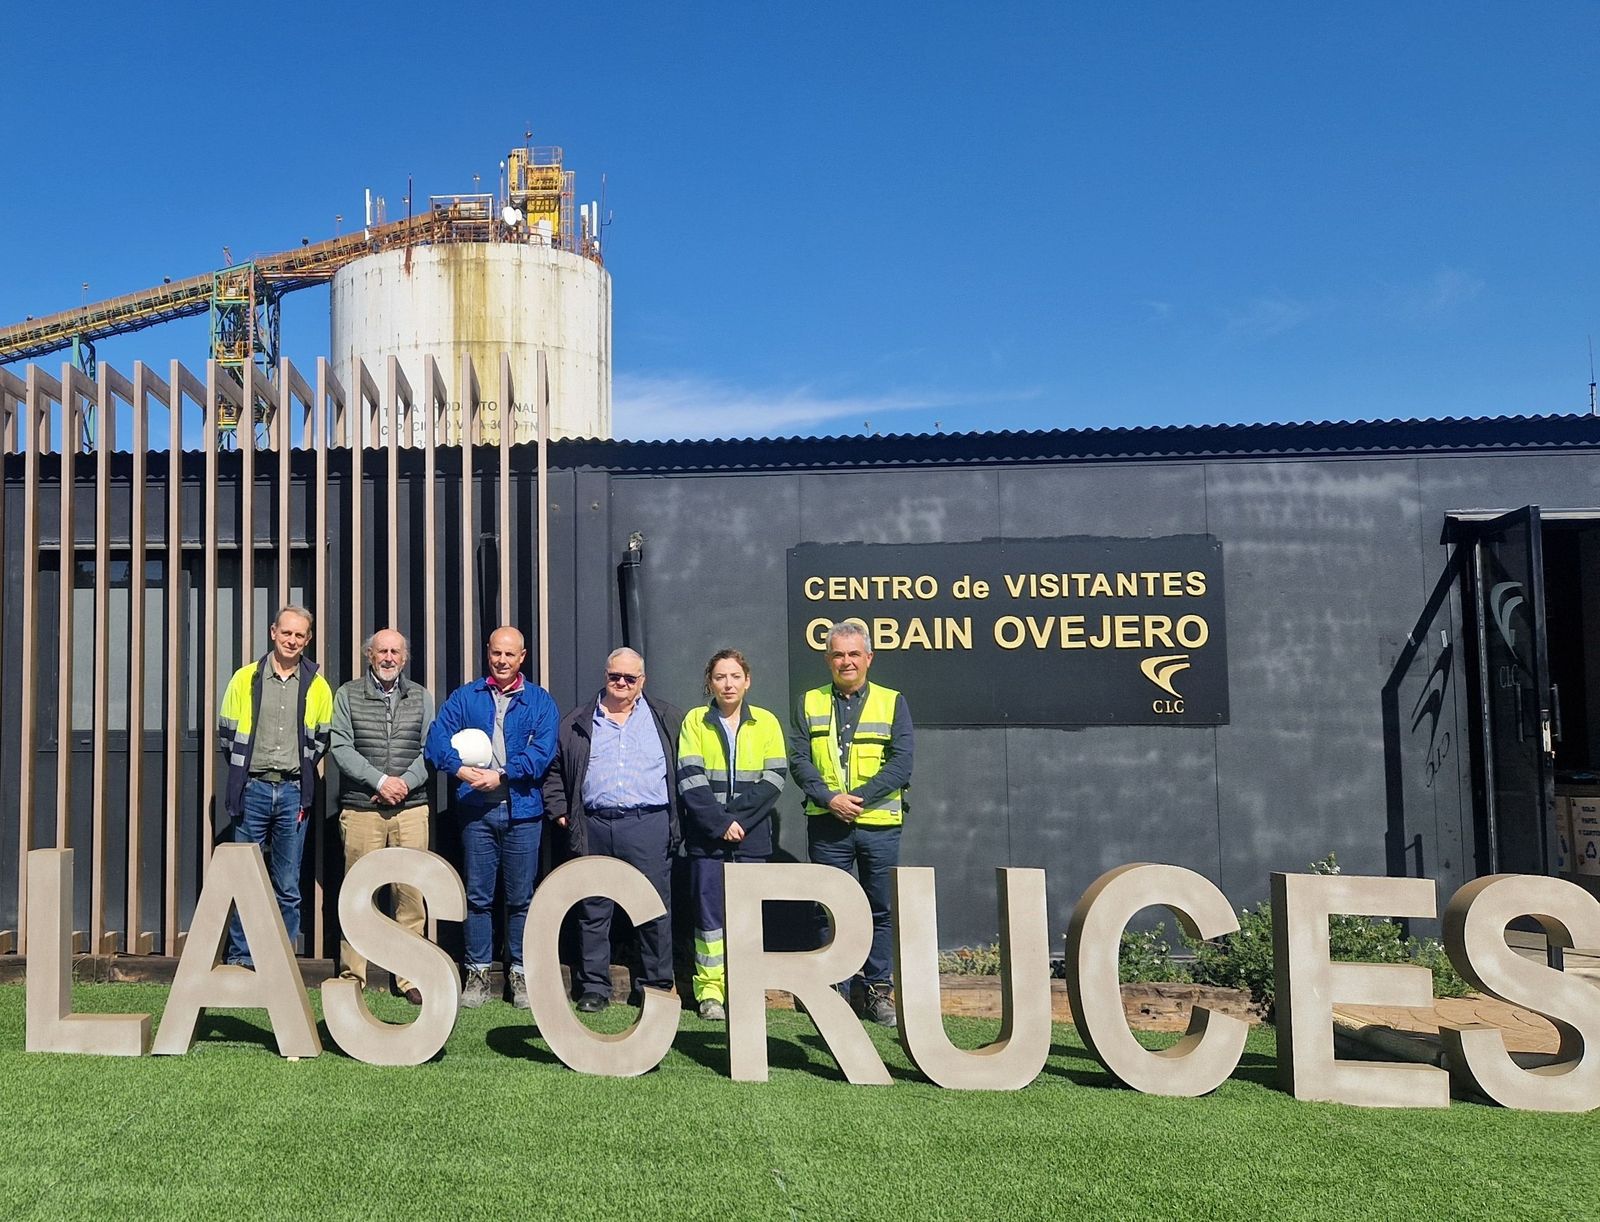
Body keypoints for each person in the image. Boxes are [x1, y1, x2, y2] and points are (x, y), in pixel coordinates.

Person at [788, 619, 914, 1027]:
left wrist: (857, 800)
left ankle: (878, 993)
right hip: (827, 824)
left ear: (868, 658)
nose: (846, 661)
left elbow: (902, 763)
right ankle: (834, 993)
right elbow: (799, 761)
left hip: (878, 824)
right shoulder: (808, 702)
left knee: (879, 909)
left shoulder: (893, 701)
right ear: (828, 659)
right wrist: (829, 800)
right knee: (829, 910)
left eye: (854, 654)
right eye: (838, 654)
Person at [543, 648, 684, 1013]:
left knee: (653, 909)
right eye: (614, 677)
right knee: (593, 908)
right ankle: (594, 988)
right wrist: (560, 811)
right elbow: (555, 771)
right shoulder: (578, 720)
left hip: (648, 823)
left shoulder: (665, 718)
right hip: (594, 824)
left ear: (642, 681)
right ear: (605, 676)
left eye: (629, 678)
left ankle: (655, 985)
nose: (621, 683)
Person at [424, 626, 558, 1009]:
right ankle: (478, 973)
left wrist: (502, 774)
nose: (502, 661)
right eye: (496, 653)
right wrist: (461, 771)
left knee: (521, 899)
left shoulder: (540, 702)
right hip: (476, 814)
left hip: (523, 813)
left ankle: (519, 973)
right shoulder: (467, 697)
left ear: (523, 657)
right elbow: (435, 742)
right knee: (478, 897)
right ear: (488, 653)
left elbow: (543, 754)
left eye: (510, 655)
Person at [218, 605, 334, 967]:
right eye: (287, 633)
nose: (292, 640)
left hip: (292, 793)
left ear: (308, 639)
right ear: (273, 632)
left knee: (287, 884)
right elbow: (227, 733)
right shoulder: (245, 678)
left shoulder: (317, 684)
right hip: (251, 790)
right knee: (246, 879)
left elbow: (322, 739)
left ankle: (279, 961)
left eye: (300, 635)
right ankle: (240, 956)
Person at [676, 649, 787, 1022]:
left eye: (735, 676)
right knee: (709, 919)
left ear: (747, 681)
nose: (728, 684)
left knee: (747, 918)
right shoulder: (695, 721)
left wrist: (735, 820)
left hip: (751, 839)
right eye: (720, 677)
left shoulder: (767, 723)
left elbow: (774, 779)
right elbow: (690, 778)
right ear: (710, 682)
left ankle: (745, 987)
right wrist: (719, 823)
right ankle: (710, 992)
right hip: (707, 839)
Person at [328, 628, 436, 1005]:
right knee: (358, 894)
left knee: (410, 894)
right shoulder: (347, 694)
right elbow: (339, 745)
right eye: (381, 651)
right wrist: (378, 780)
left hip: (410, 808)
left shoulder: (421, 697)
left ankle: (409, 976)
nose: (388, 658)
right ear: (368, 656)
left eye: (395, 652)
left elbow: (431, 748)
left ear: (404, 658)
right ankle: (352, 975)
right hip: (362, 808)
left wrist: (403, 783)